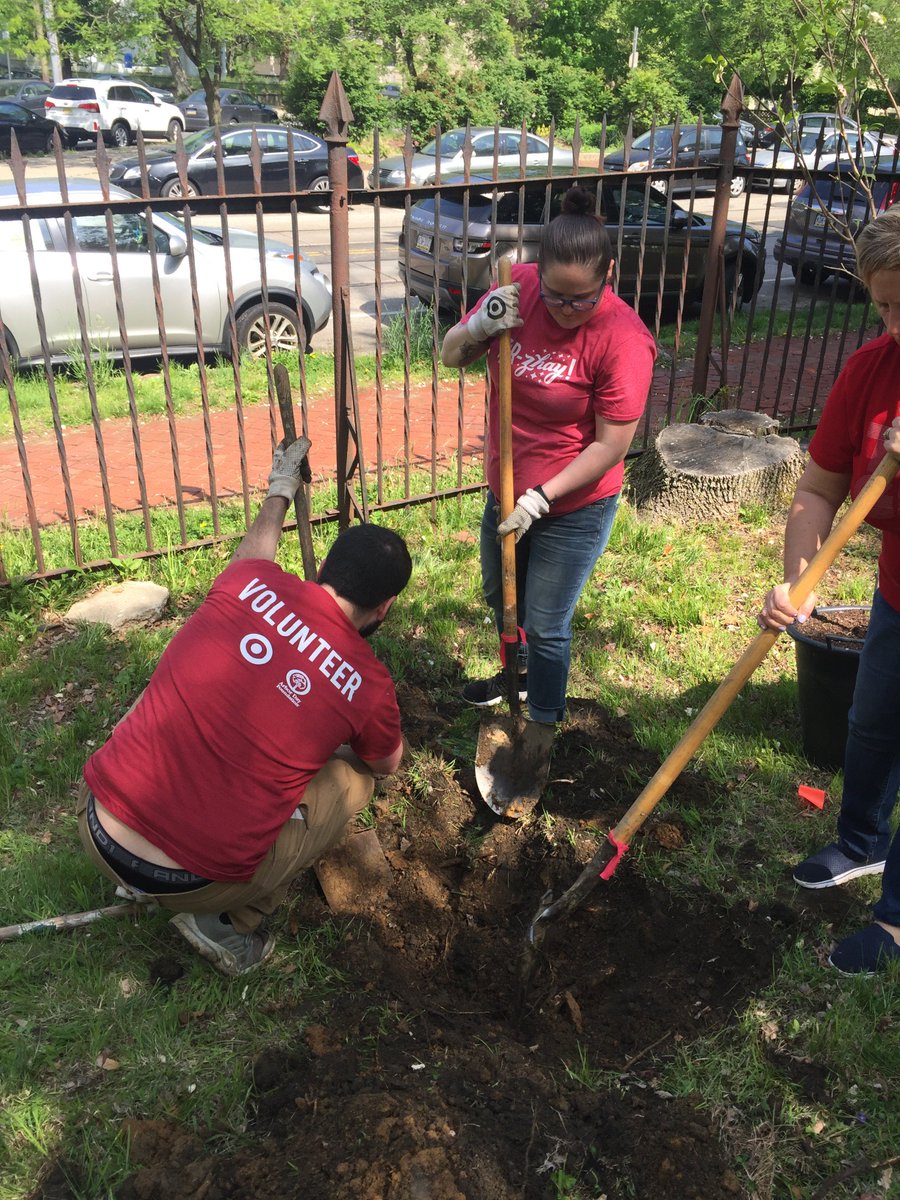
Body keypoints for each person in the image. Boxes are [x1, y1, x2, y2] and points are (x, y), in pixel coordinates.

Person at [77, 437, 412, 976]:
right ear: (385, 606)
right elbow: (386, 763)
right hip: (191, 882)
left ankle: (144, 881)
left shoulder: (246, 582)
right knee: (356, 782)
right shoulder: (367, 682)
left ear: (323, 565)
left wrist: (280, 489)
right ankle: (226, 923)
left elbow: (256, 550)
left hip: (97, 826)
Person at [441, 185, 656, 724]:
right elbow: (450, 355)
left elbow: (613, 444)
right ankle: (515, 676)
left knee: (545, 621)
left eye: (579, 299)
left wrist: (541, 497)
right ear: (541, 270)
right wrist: (477, 327)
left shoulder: (623, 339)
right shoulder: (518, 288)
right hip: (504, 487)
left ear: (607, 275)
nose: (563, 310)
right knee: (501, 597)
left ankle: (541, 720)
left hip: (572, 506)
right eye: (555, 296)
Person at [759, 204, 900, 976]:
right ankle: (862, 839)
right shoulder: (871, 371)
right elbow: (818, 491)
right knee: (872, 723)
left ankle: (897, 921)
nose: (896, 322)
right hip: (899, 591)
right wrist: (799, 582)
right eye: (885, 306)